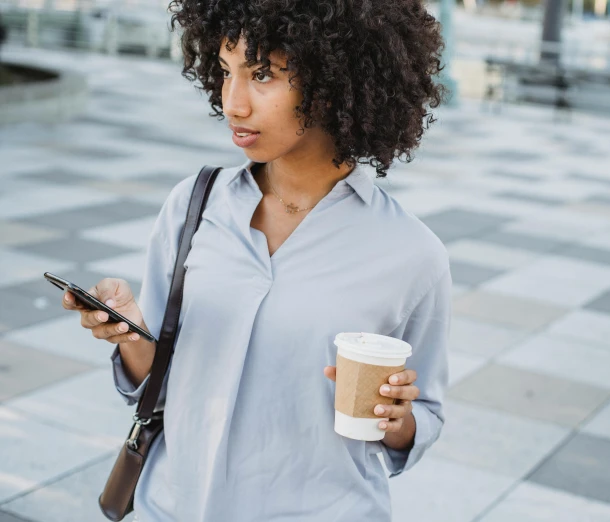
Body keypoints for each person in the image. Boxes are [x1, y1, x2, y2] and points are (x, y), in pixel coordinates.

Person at [60, 1, 451, 520]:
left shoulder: (411, 254)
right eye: (226, 72)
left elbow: (421, 417)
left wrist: (396, 419)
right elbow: (159, 377)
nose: (233, 103)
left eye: (262, 74)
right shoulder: (193, 206)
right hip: (173, 506)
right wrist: (131, 334)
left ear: (336, 77)